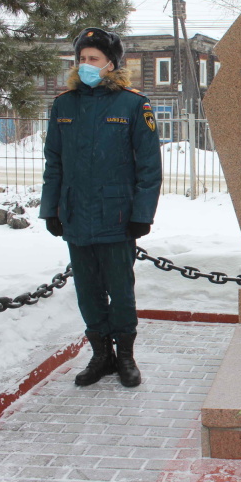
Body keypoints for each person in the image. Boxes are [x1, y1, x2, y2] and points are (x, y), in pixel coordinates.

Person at [40, 28, 162, 388]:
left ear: (111, 63)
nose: (85, 65)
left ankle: (125, 356)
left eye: (93, 58)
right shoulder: (64, 104)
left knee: (120, 291)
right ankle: (101, 356)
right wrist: (51, 208)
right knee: (88, 291)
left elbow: (149, 167)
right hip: (76, 215)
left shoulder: (132, 104)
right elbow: (54, 162)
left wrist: (143, 214)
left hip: (117, 216)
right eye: (81, 58)